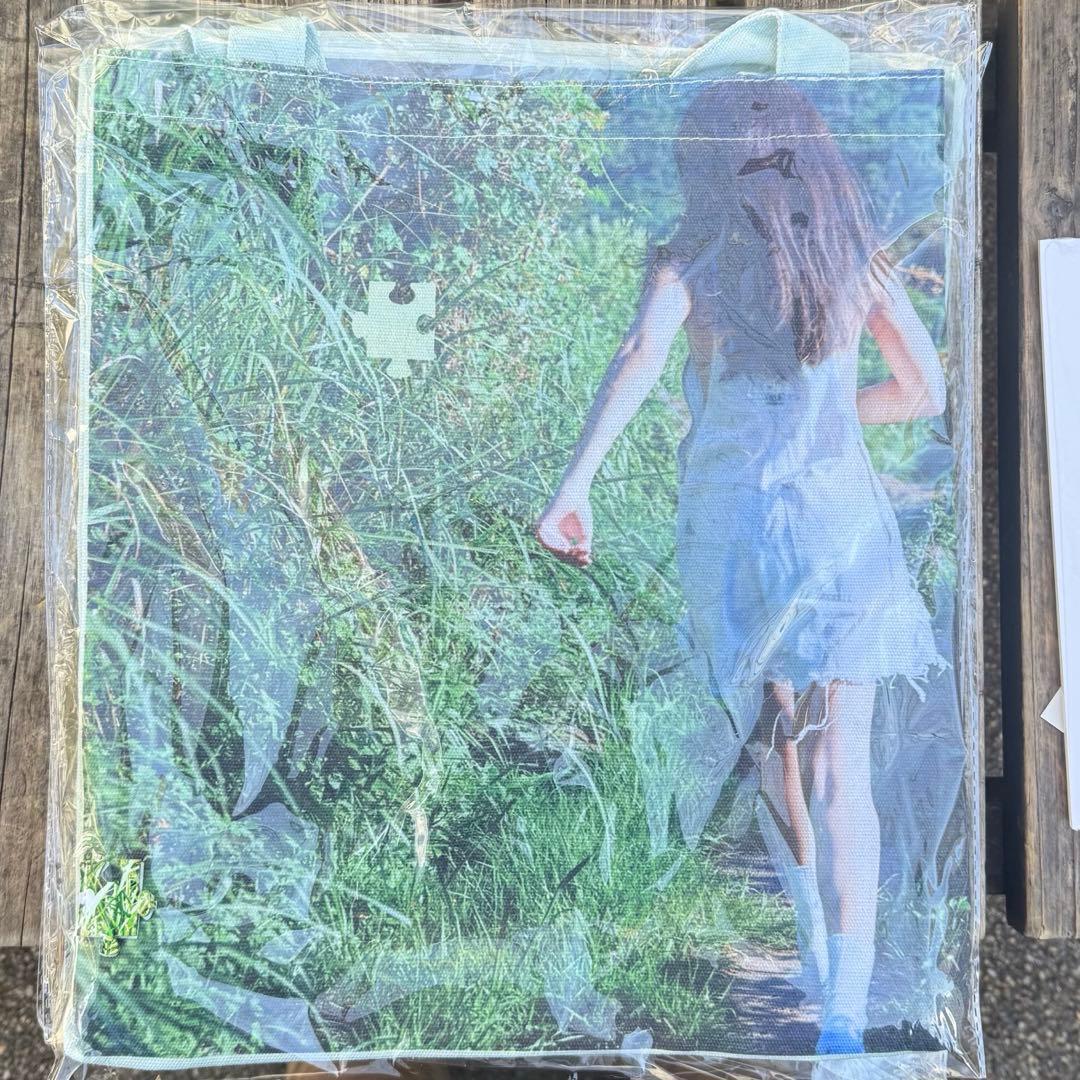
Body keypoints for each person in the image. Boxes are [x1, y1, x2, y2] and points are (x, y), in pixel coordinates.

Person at [535, 79, 945, 1056]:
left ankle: (812, 949)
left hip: (736, 534)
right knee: (846, 768)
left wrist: (573, 487)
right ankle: (843, 1017)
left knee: (774, 749)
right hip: (838, 529)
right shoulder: (853, 255)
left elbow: (639, 356)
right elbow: (924, 392)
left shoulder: (692, 258)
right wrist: (837, 417)